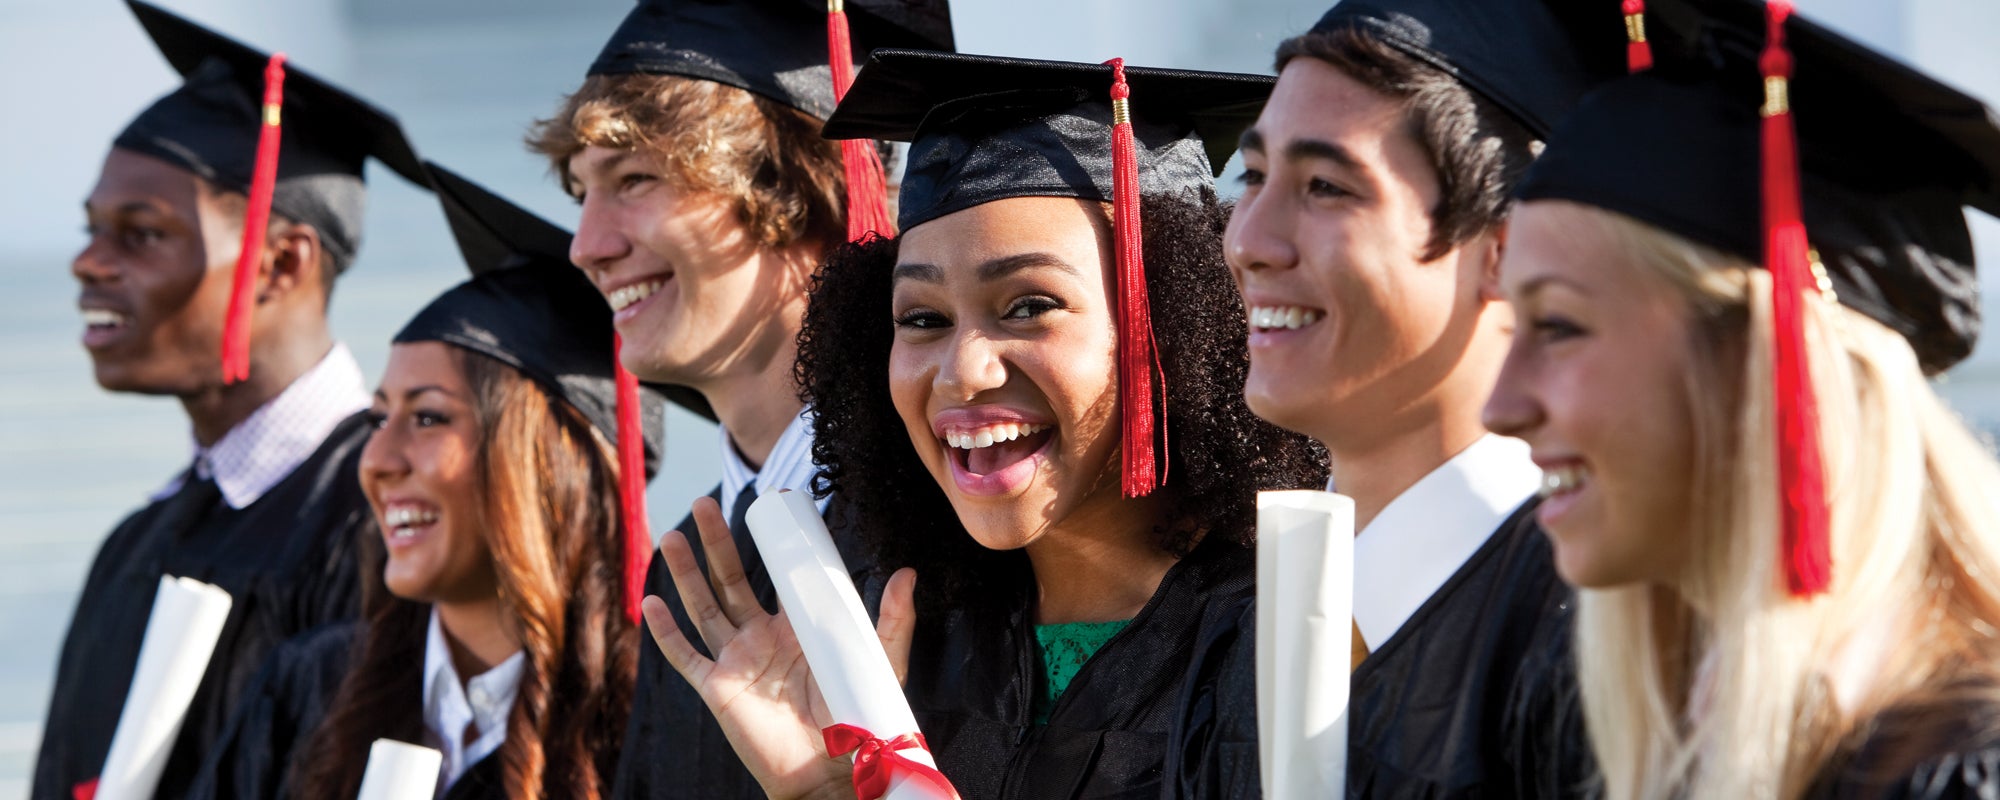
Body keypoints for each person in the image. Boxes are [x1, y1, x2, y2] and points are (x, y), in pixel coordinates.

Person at [645, 50, 1328, 800]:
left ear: (1173, 322)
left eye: (1029, 306)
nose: (962, 371)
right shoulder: (891, 662)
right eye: (923, 319)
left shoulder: (1300, 646)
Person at [1481, 1, 2000, 797]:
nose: (1501, 407)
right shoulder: (1667, 740)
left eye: (1558, 326)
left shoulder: (1958, 766)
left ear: (1764, 359)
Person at [1169, 2, 1633, 797]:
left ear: (1508, 253)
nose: (1246, 240)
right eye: (1252, 176)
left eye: (1323, 186)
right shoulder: (1236, 631)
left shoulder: (1600, 641)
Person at [525, 2, 953, 796]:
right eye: (581, 192)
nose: (586, 246)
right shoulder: (685, 574)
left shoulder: (948, 522)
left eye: (634, 179)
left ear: (802, 188)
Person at [186, 164, 685, 800]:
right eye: (377, 418)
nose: (378, 460)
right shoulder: (310, 686)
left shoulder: (666, 721)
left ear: (550, 464)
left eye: (427, 417)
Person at [34, 3, 427, 798]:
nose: (87, 263)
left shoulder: (388, 523)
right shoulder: (136, 544)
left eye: (139, 233)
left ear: (281, 264)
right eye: (92, 229)